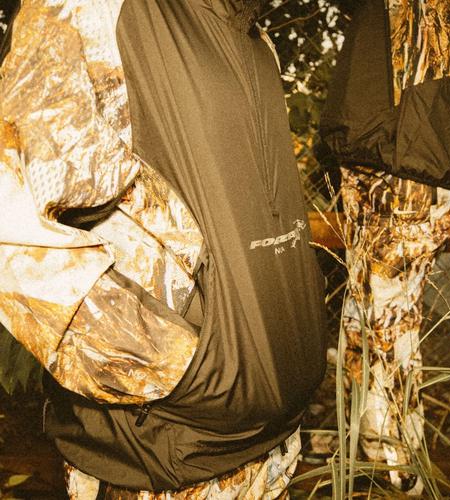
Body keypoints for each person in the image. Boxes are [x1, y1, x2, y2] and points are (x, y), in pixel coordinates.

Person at [0, 0, 327, 497]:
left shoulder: (253, 35)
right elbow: (12, 216)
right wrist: (182, 370)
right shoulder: (95, 10)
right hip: (166, 453)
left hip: (275, 441)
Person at [319, 0, 450, 494]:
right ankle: (386, 463)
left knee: (380, 315)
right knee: (373, 314)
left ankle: (393, 469)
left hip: (415, 140)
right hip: (396, 133)